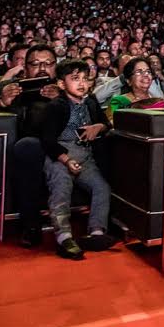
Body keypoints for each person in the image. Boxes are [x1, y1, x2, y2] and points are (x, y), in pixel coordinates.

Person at [0, 44, 61, 247]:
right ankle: (31, 225)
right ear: (25, 67)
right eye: (35, 63)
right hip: (25, 150)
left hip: (65, 146)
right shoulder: (11, 86)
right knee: (28, 147)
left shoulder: (66, 85)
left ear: (55, 66)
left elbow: (91, 108)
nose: (42, 68)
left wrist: (62, 99)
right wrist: (1, 101)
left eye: (48, 63)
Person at [40, 60, 115, 260]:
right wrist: (65, 160)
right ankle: (64, 237)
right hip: (60, 155)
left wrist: (97, 127)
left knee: (101, 188)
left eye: (85, 78)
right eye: (75, 79)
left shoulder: (90, 102)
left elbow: (106, 124)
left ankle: (96, 232)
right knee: (61, 189)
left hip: (85, 156)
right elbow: (47, 140)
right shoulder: (57, 106)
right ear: (62, 84)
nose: (82, 83)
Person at [106, 57, 164, 121]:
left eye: (148, 71)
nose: (146, 75)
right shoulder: (118, 102)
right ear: (128, 81)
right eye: (139, 72)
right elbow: (116, 125)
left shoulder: (158, 101)